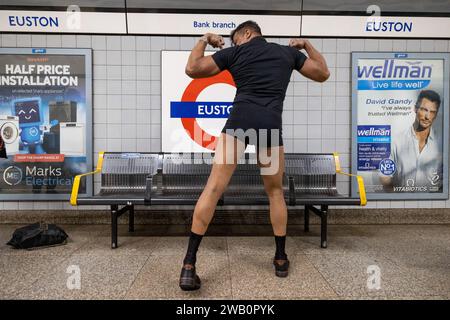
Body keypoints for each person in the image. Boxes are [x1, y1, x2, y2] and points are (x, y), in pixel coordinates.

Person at [179, 20, 330, 291]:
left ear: (247, 33)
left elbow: (192, 68)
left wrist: (204, 39)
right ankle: (281, 259)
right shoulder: (288, 54)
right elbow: (322, 73)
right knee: (275, 193)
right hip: (269, 128)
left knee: (213, 189)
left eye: (235, 39)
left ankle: (189, 265)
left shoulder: (235, 53)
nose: (233, 43)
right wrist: (306, 45)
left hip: (239, 122)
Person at [380, 90, 443, 192]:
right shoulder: (397, 141)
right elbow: (385, 178)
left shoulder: (440, 144)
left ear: (435, 115)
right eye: (424, 110)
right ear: (415, 109)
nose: (427, 116)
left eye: (432, 112)